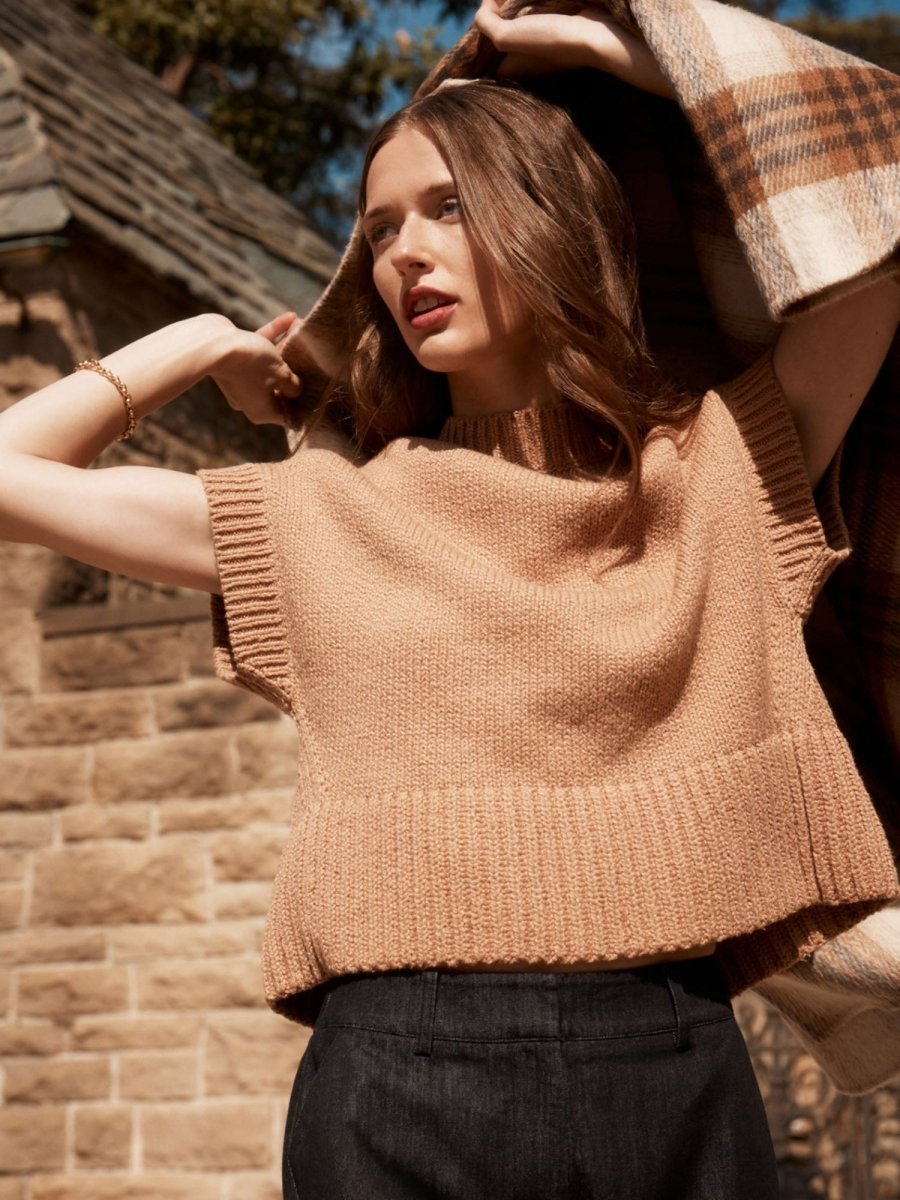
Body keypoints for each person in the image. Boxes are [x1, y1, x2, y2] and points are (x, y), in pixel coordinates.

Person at [0, 2, 898, 1196]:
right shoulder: (323, 514)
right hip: (395, 1077)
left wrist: (620, 58)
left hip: (673, 1066)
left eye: (449, 207)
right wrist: (201, 343)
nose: (404, 255)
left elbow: (873, 225)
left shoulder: (716, 475)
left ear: (552, 215)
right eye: (379, 230)